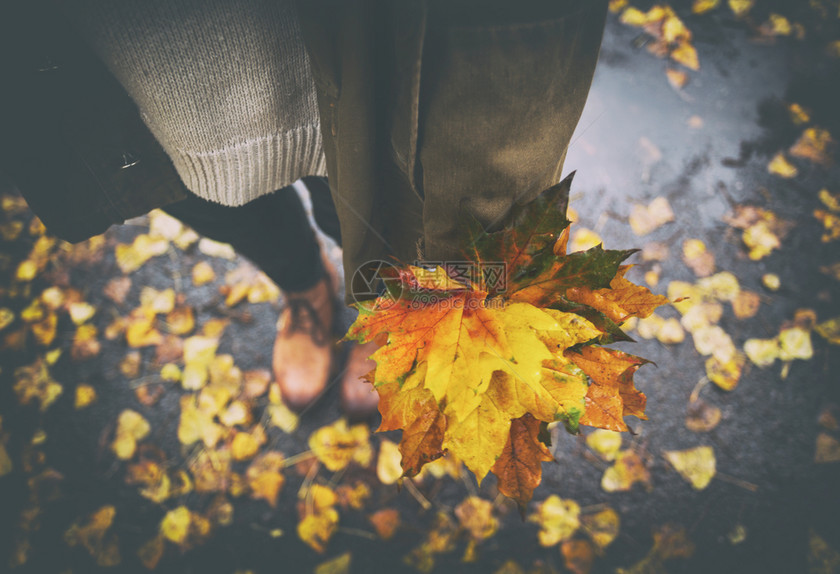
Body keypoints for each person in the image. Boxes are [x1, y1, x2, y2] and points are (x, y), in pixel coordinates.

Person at [0, 0, 609, 417]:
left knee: (370, 210)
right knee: (218, 205)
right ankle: (306, 293)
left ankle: (380, 313)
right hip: (143, 95)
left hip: (347, 65)